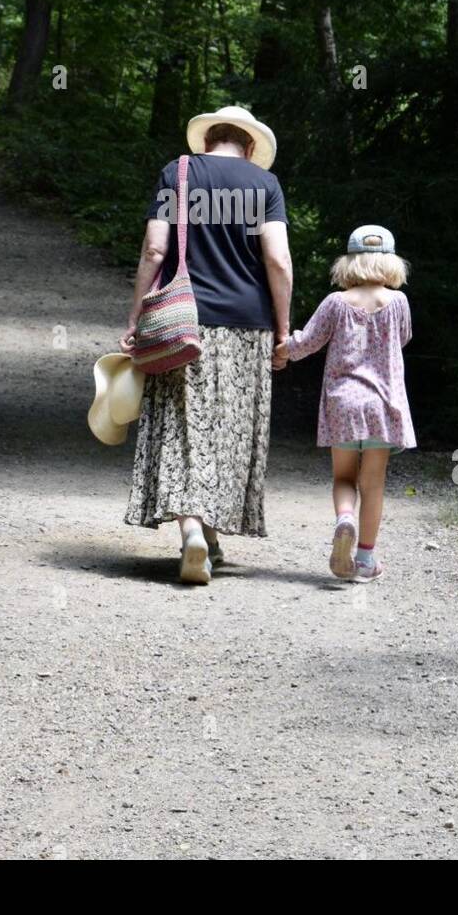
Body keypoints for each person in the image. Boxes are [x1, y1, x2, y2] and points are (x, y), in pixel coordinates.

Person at [122, 106, 292, 584]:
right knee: (229, 430)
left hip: (183, 321)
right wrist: (283, 330)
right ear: (251, 146)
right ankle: (210, 534)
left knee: (183, 426)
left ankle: (195, 533)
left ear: (208, 139)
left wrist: (136, 315)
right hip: (247, 324)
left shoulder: (178, 174)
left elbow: (155, 250)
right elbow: (277, 261)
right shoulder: (265, 186)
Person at [274, 225, 414, 582]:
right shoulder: (398, 303)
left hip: (343, 404)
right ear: (391, 262)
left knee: (343, 477)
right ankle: (366, 560)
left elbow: (307, 342)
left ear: (349, 262)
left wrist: (280, 351)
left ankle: (344, 519)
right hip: (384, 404)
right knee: (374, 483)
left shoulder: (336, 303)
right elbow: (404, 339)